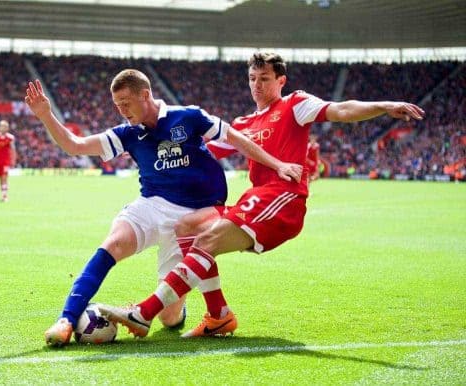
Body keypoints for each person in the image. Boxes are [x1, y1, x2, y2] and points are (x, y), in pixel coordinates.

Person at [98, 52, 425, 339]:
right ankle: (219, 316)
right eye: (252, 78)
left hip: (283, 198)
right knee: (187, 226)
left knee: (206, 240)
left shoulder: (295, 105)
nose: (257, 84)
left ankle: (143, 313)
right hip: (256, 198)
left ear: (280, 80)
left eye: (264, 78)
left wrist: (384, 106)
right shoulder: (244, 123)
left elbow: (340, 109)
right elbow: (200, 153)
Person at [24, 70, 303, 347]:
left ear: (145, 94)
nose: (122, 111)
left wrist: (277, 165)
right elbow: (75, 145)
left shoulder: (189, 116)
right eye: (117, 105)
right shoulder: (127, 133)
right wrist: (46, 115)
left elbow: (235, 138)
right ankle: (66, 320)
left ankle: (179, 309)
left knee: (169, 318)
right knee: (113, 243)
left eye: (126, 103)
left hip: (197, 212)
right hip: (152, 205)